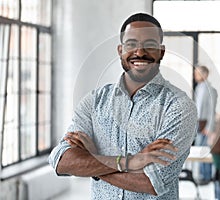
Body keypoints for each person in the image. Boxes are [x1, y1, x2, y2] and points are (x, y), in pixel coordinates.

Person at [48, 13, 197, 199]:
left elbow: (153, 182)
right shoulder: (95, 101)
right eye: (131, 44)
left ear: (161, 52)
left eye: (149, 45)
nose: (140, 52)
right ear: (120, 50)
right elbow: (61, 160)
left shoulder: (179, 106)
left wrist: (93, 158)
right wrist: (129, 162)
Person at [193, 65, 218, 184]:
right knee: (200, 151)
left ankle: (206, 177)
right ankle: (204, 176)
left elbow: (210, 110)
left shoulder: (208, 89)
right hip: (200, 125)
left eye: (197, 73)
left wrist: (209, 128)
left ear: (205, 74)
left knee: (204, 151)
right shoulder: (200, 88)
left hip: (205, 126)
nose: (195, 75)